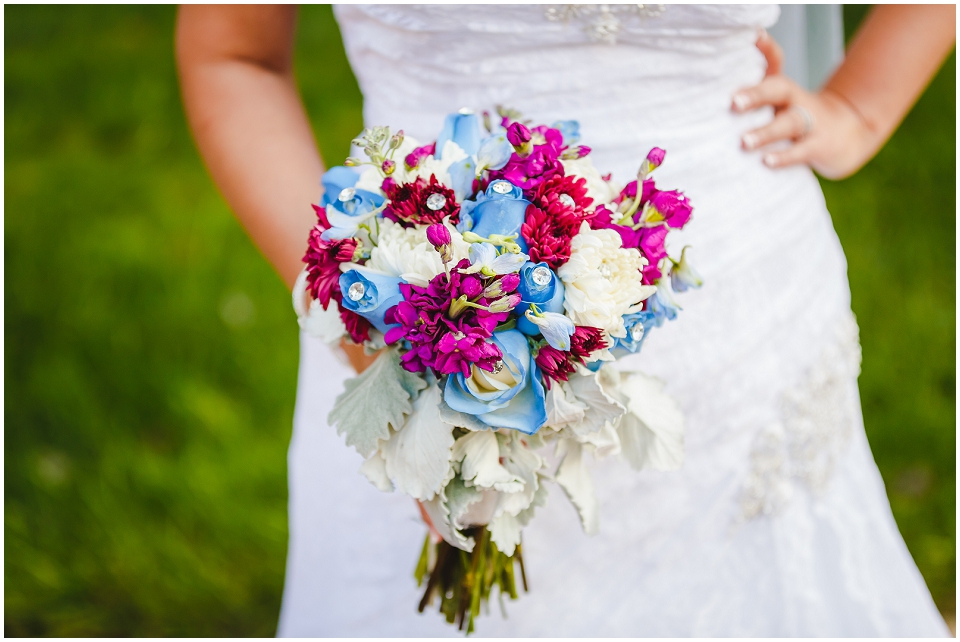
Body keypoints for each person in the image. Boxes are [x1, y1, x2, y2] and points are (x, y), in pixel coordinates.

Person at [176, 5, 955, 636]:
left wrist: (859, 106)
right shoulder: (389, 336)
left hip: (743, 334)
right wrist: (376, 337)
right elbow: (234, 55)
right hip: (406, 318)